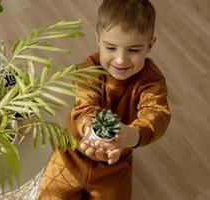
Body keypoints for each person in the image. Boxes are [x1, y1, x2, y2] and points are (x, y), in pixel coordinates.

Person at [38, 0, 171, 199]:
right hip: (72, 155)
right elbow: (85, 106)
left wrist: (132, 134)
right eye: (111, 48)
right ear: (98, 39)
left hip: (114, 166)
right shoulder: (88, 69)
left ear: (150, 44)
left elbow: (157, 114)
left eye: (133, 50)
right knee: (50, 195)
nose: (120, 60)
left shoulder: (151, 82)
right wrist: (91, 129)